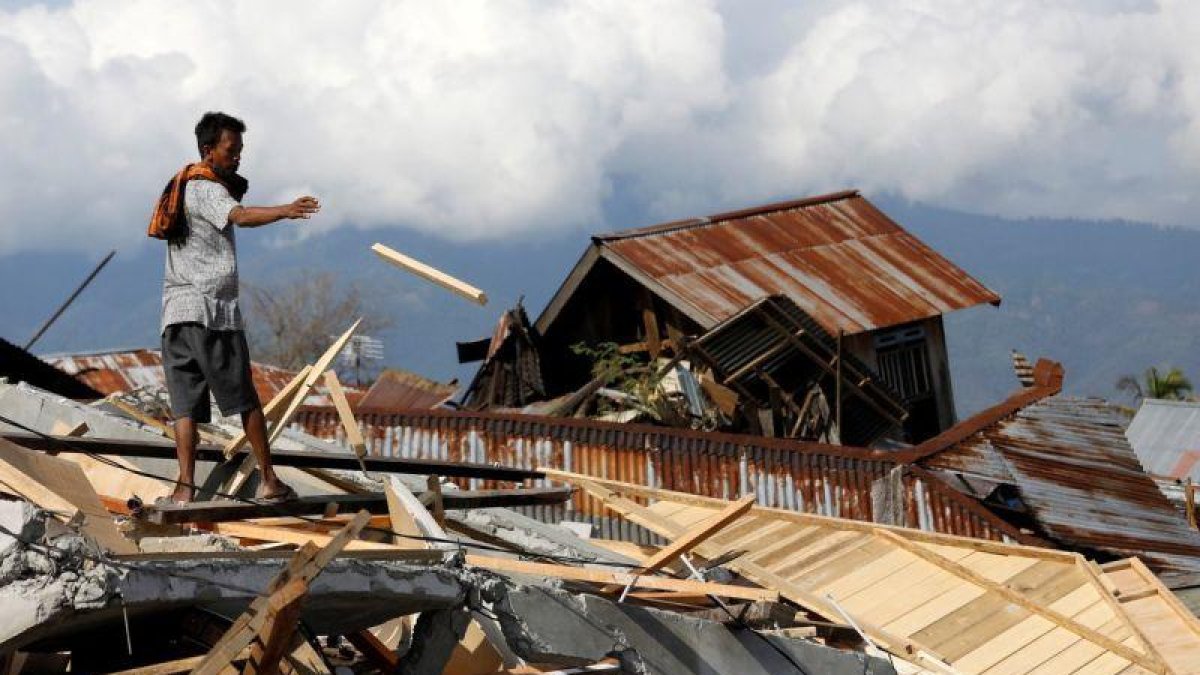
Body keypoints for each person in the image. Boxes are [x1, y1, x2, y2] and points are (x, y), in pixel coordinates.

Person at [156, 111, 319, 504]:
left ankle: (185, 488)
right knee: (246, 400)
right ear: (209, 150)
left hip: (175, 316)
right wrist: (285, 210)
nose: (237, 158)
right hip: (212, 314)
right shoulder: (207, 188)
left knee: (185, 407)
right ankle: (268, 480)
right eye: (232, 150)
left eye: (240, 151)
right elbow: (241, 217)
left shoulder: (179, 188)